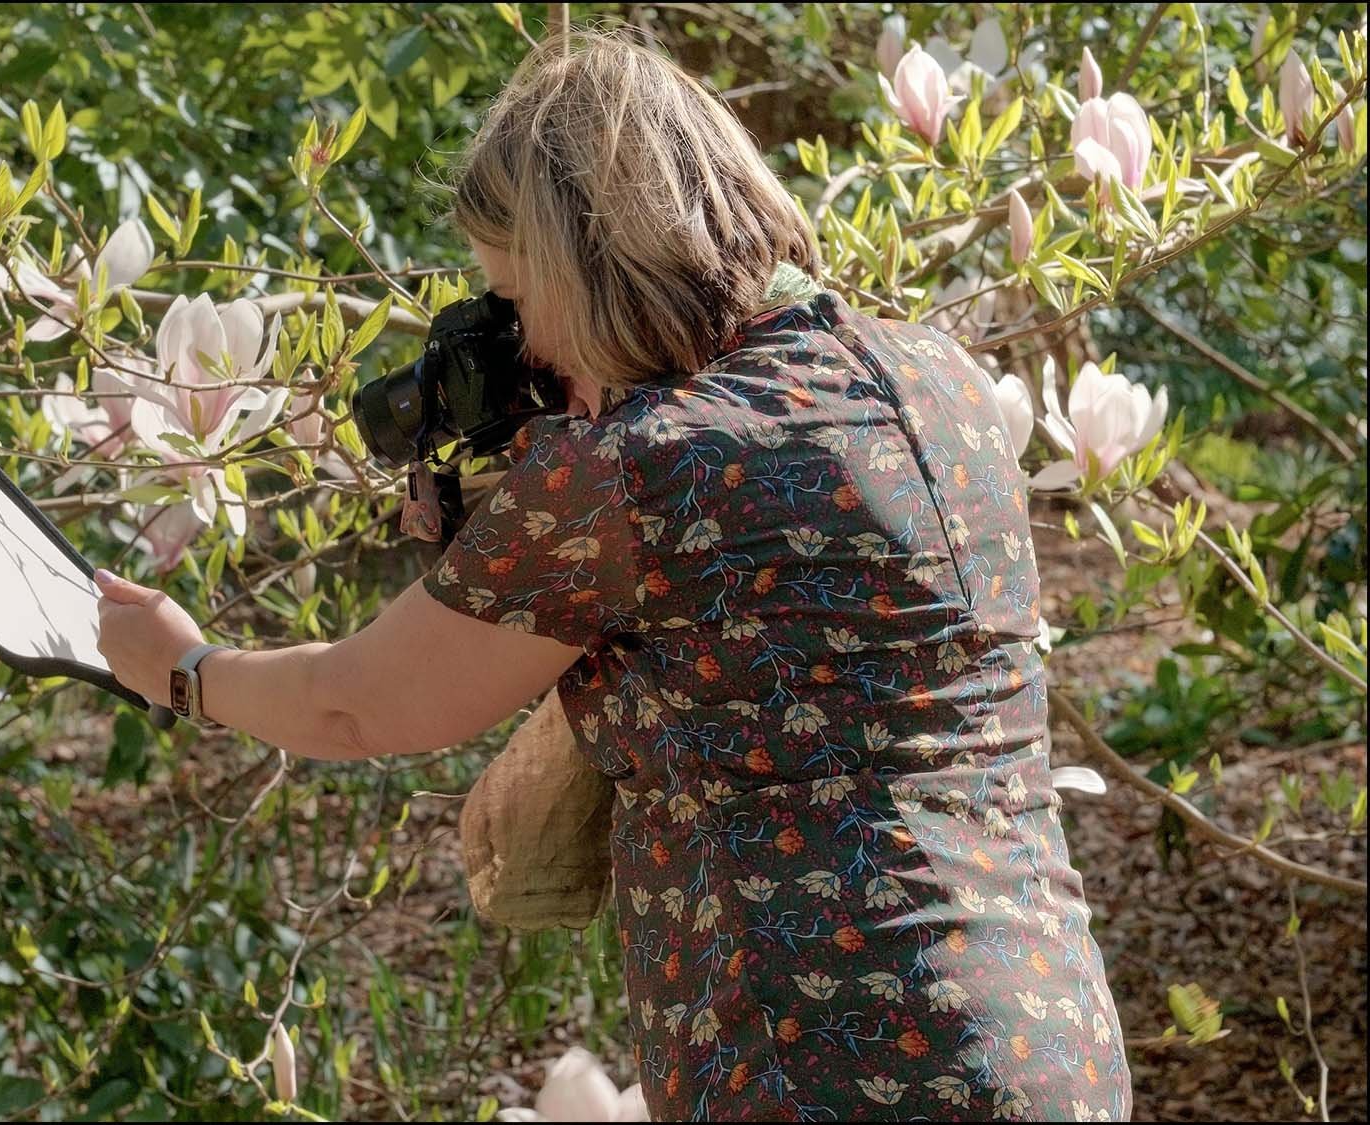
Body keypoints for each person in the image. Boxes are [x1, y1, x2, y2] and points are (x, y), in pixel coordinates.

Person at [95, 30, 1132, 1123]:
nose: (523, 345)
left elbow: (354, 705)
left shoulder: (637, 468)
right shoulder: (942, 379)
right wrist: (507, 541)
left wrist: (182, 669)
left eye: (514, 295)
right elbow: (776, 650)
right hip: (1045, 1039)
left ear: (585, 261)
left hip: (820, 1066)